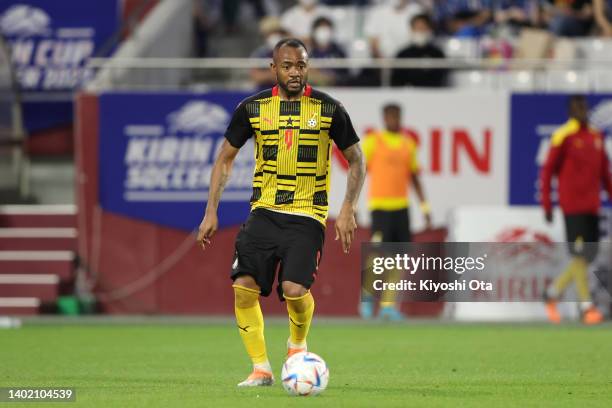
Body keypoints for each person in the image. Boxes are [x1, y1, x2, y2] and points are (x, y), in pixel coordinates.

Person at [197, 38, 365, 386]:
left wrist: (348, 206)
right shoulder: (252, 108)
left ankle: (297, 345)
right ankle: (261, 368)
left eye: (301, 65)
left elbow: (357, 160)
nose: (294, 72)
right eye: (287, 66)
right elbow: (225, 159)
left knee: (293, 289)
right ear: (274, 68)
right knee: (243, 286)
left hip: (308, 214)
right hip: (264, 211)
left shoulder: (329, 108)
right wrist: (210, 210)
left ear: (308, 67)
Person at [540, 95, 611, 325]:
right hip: (572, 205)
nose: (582, 111)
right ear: (570, 111)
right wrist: (547, 203)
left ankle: (552, 293)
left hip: (592, 206)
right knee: (579, 254)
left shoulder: (596, 136)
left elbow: (605, 174)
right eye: (577, 107)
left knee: (587, 256)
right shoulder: (563, 136)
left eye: (584, 107)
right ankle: (585, 307)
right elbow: (547, 171)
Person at [359, 103, 432, 321]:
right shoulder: (374, 142)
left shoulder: (408, 144)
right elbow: (359, 172)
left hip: (401, 207)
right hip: (379, 207)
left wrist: (425, 207)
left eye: (396, 116)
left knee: (398, 259)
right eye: (390, 116)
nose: (393, 120)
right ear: (384, 118)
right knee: (377, 255)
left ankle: (388, 306)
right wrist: (352, 204)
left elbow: (415, 177)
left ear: (400, 117)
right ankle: (368, 296)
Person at [392, 13, 448, 88]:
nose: (420, 32)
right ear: (411, 30)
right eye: (417, 28)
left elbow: (441, 77)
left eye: (423, 28)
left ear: (429, 29)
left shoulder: (437, 53)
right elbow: (396, 79)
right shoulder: (402, 54)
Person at [250, 17, 289, 89]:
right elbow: (255, 76)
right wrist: (272, 76)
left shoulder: (290, 52)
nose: (275, 36)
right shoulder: (259, 54)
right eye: (271, 33)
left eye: (277, 32)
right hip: (264, 93)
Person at [308, 16, 348, 86]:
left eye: (326, 29)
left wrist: (322, 75)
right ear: (314, 31)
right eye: (320, 29)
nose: (323, 32)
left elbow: (344, 75)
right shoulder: (307, 52)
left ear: (331, 31)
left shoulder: (339, 52)